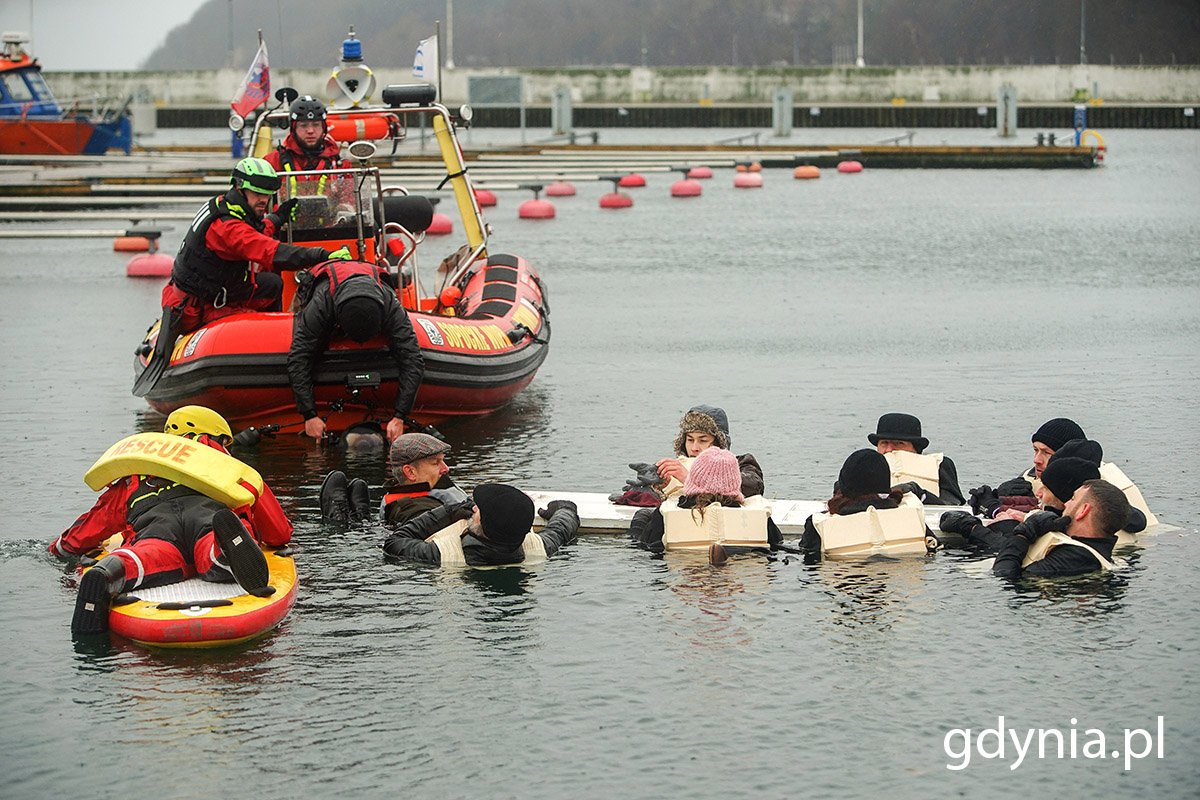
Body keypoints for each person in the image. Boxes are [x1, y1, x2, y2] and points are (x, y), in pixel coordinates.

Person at [50, 406, 292, 635]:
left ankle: (113, 571)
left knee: (144, 555)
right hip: (209, 521)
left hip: (156, 529)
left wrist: (60, 548)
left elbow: (92, 525)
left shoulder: (135, 475)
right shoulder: (230, 468)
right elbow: (278, 533)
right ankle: (224, 552)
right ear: (215, 439)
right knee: (212, 546)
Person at [161, 157, 345, 333]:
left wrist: (277, 217)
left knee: (272, 284)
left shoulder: (224, 205)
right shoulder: (226, 227)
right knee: (262, 324)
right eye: (257, 194)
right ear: (240, 189)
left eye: (266, 195)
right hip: (198, 308)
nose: (264, 200)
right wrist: (322, 255)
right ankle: (277, 342)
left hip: (213, 291)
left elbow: (250, 235)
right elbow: (267, 250)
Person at [286, 259, 424, 442]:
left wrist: (400, 416)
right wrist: (309, 415)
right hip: (329, 288)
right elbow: (298, 358)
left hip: (366, 291)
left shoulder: (391, 305)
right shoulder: (321, 305)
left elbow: (413, 360)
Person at [628, 446, 782, 563]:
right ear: (735, 481)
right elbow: (777, 543)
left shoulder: (665, 515)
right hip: (740, 568)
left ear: (694, 478)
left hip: (686, 567)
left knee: (642, 517)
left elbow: (649, 546)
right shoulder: (759, 517)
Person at [381, 484, 579, 567]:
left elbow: (393, 542)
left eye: (478, 510)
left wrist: (451, 510)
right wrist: (565, 509)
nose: (474, 509)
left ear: (483, 525)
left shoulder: (441, 554)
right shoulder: (536, 548)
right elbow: (561, 530)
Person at [799, 449, 933, 564]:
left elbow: (808, 563)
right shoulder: (912, 516)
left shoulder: (817, 524)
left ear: (843, 484)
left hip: (843, 576)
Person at [617, 404, 763, 504]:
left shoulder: (743, 464)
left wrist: (689, 478)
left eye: (703, 440)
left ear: (720, 443)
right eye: (690, 440)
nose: (694, 448)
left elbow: (752, 487)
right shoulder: (678, 465)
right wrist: (657, 488)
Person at [318, 432, 467, 526]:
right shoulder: (413, 509)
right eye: (436, 463)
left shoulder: (427, 496)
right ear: (410, 472)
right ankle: (340, 525)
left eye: (443, 461)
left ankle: (358, 523)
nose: (446, 468)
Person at [992, 479, 1130, 579]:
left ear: (1083, 510)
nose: (1066, 504)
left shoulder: (1076, 557)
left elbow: (1004, 575)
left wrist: (1023, 533)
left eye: (1073, 498)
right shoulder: (1088, 550)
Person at [967, 417, 1085, 520]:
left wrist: (994, 509)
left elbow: (1053, 519)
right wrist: (998, 497)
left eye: (1046, 452)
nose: (1037, 460)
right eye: (1035, 450)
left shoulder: (1088, 488)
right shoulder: (1029, 477)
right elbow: (1036, 508)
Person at [866, 412, 964, 505]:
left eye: (899, 443)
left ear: (916, 448)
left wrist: (920, 494)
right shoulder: (864, 467)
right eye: (884, 443)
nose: (889, 449)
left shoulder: (940, 465)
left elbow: (952, 504)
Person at [263, 95, 347, 178]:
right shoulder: (272, 163)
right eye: (303, 125)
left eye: (316, 125)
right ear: (293, 129)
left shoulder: (340, 165)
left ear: (324, 128)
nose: (310, 131)